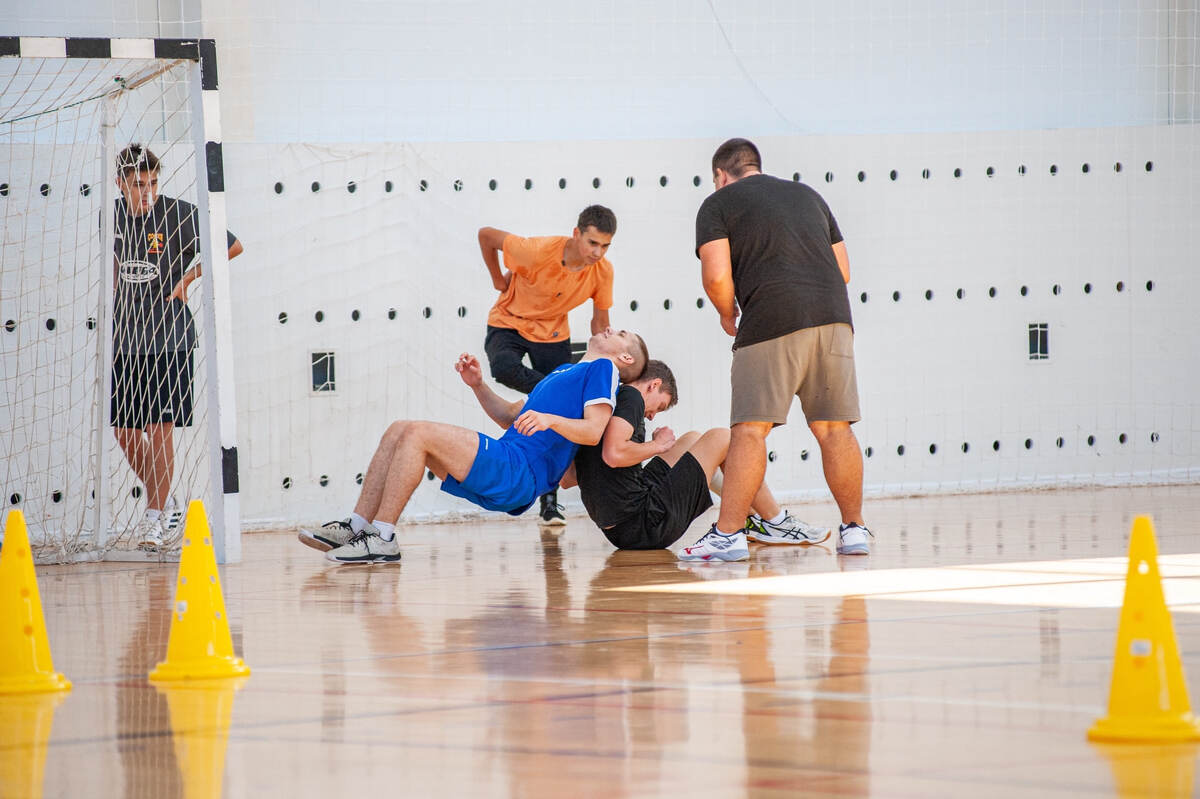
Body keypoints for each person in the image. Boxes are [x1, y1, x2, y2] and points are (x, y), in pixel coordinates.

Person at [298, 328, 649, 564]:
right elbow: (509, 416)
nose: (610, 329)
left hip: (518, 471)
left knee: (417, 433)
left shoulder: (604, 369)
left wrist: (550, 421)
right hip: (508, 460)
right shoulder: (563, 371)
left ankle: (383, 538)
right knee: (398, 430)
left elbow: (593, 431)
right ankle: (357, 527)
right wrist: (478, 385)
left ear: (626, 359)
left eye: (621, 335)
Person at [680, 137, 872, 561]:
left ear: (720, 175)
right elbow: (843, 270)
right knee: (834, 428)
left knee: (750, 430)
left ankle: (728, 535)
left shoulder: (718, 204)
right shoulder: (809, 196)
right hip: (834, 319)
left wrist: (727, 313)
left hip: (771, 319)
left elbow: (716, 276)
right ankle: (854, 530)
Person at [110, 144, 243, 550]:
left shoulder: (178, 214)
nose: (147, 192)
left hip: (170, 339)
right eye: (138, 184)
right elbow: (115, 265)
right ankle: (166, 501)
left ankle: (155, 518)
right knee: (124, 431)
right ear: (120, 184)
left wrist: (187, 279)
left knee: (159, 428)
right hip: (127, 339)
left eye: (152, 183)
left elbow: (232, 246)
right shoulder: (110, 216)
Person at [563, 360, 828, 557]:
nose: (652, 415)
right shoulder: (631, 397)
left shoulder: (600, 405)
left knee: (692, 439)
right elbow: (613, 455)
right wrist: (656, 445)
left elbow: (569, 479)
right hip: (644, 524)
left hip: (619, 531)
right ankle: (777, 522)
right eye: (659, 406)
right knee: (724, 437)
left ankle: (750, 517)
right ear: (654, 385)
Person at [478, 205, 617, 527]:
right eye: (593, 243)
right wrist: (498, 280)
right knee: (503, 368)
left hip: (552, 333)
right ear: (576, 234)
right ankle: (553, 393)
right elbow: (486, 236)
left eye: (605, 246)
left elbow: (600, 321)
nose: (598, 252)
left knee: (556, 415)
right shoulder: (535, 251)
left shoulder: (602, 271)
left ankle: (550, 503)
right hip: (508, 322)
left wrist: (608, 360)